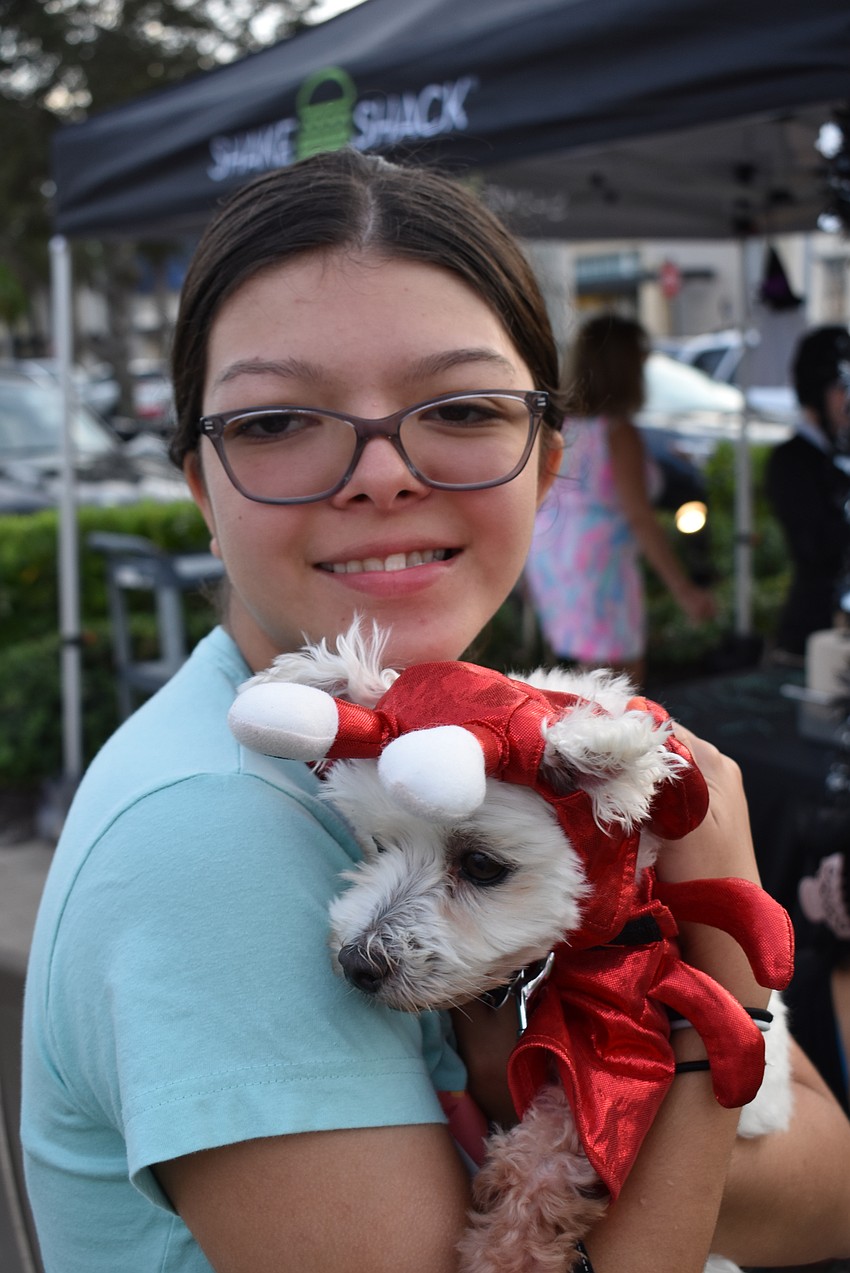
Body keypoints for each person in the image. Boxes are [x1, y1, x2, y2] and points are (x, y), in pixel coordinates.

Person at [20, 150, 850, 1273]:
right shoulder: (215, 834)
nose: (380, 473)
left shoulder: (480, 747)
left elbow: (830, 1187)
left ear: (546, 464)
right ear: (197, 487)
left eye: (458, 406)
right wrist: (721, 986)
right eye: (275, 420)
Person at [524, 313, 717, 688]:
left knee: (587, 686)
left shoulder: (561, 425)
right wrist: (685, 591)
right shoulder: (616, 431)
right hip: (600, 568)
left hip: (555, 558)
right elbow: (640, 518)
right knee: (619, 690)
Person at [766, 324, 850, 663]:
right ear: (816, 391)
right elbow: (817, 548)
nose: (847, 399)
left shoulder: (837, 453)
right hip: (814, 637)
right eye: (839, 387)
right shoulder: (792, 461)